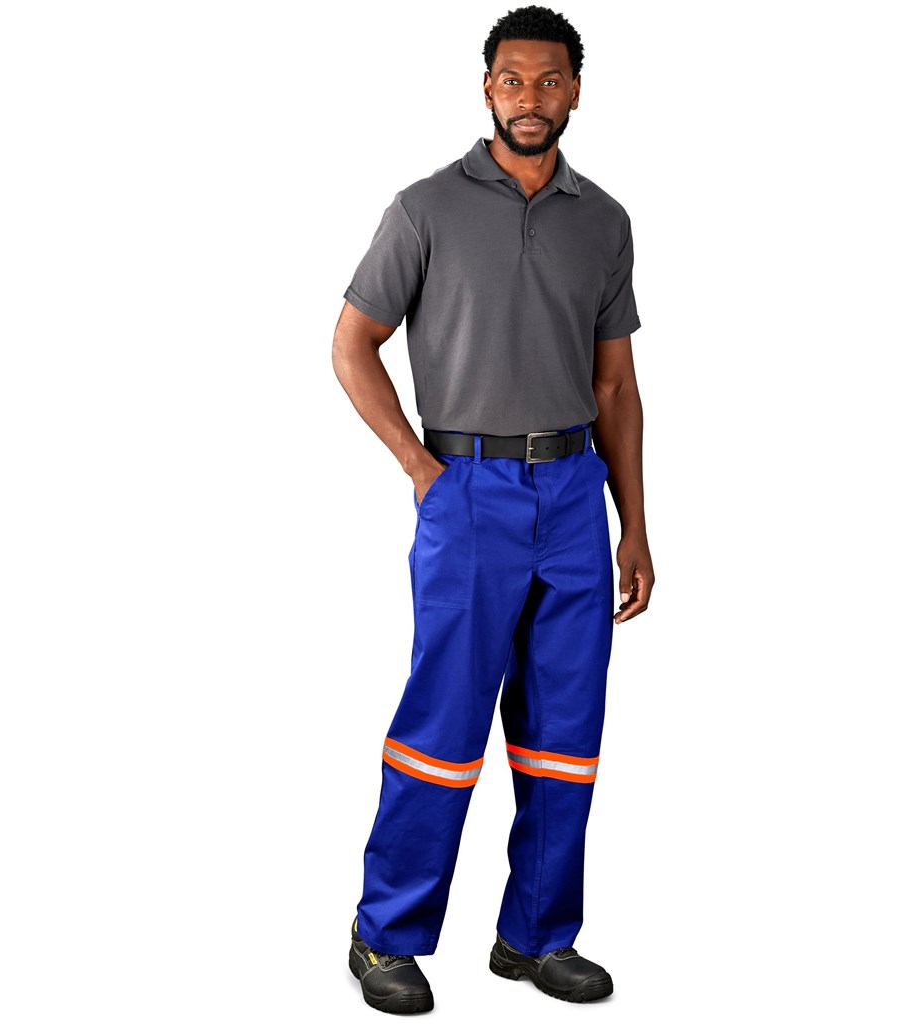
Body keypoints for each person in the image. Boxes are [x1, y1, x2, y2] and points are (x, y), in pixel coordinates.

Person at [331, 5, 654, 1014]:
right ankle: (385, 935)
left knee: (566, 727)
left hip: (573, 493)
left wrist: (635, 523)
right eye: (512, 79)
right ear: (486, 89)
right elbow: (351, 344)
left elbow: (615, 388)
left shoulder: (603, 221)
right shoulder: (425, 208)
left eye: (550, 79)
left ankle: (537, 935)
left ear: (576, 91)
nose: (530, 96)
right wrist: (418, 467)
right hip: (466, 488)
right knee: (444, 720)